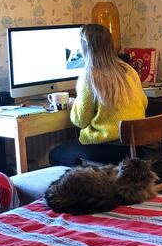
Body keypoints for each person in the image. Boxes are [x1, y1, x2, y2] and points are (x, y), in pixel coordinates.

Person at [49, 24, 148, 167]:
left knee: (56, 155)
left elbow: (80, 121)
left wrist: (74, 104)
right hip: (135, 148)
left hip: (108, 149)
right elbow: (143, 103)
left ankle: (94, 186)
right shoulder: (129, 70)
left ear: (85, 48)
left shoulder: (89, 76)